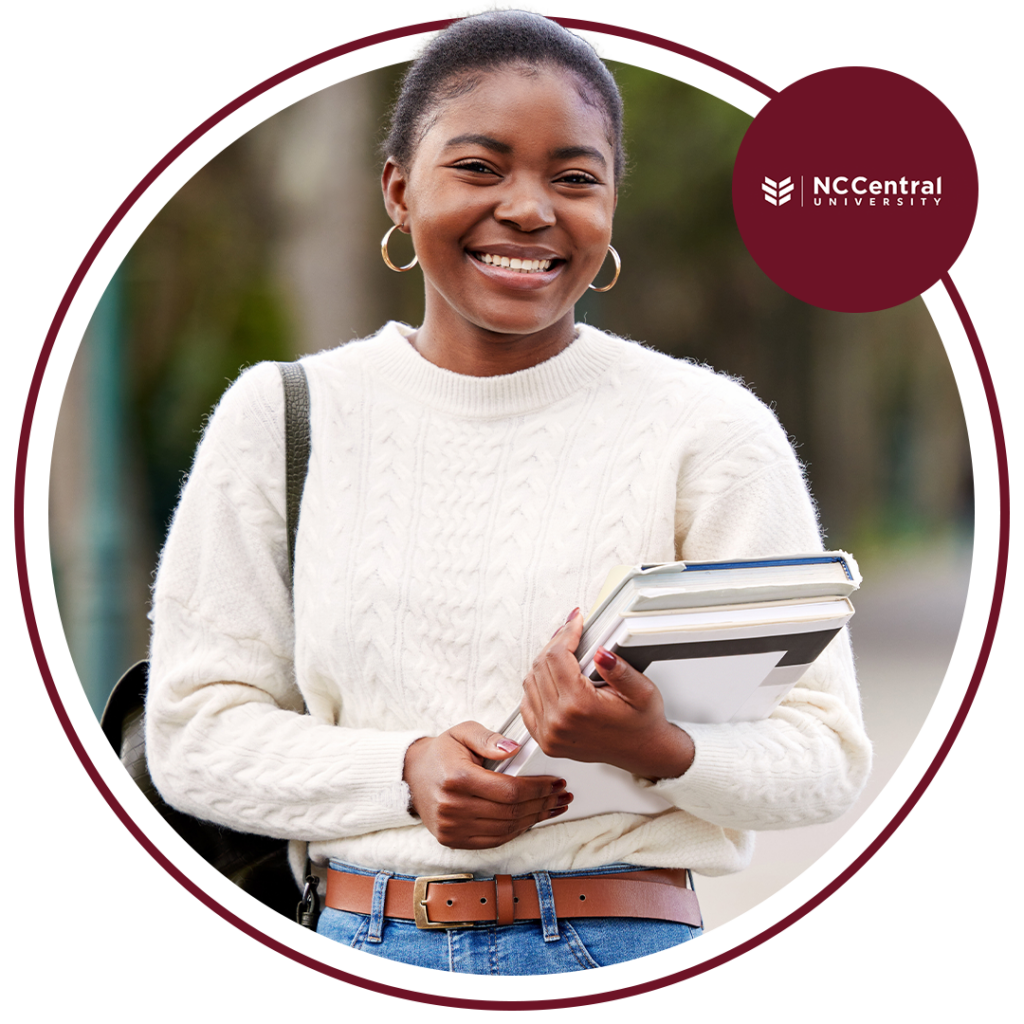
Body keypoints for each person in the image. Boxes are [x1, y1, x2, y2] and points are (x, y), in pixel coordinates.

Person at [146, 9, 872, 975]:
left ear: (610, 207)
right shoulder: (284, 417)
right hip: (352, 935)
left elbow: (824, 760)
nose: (530, 209)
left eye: (575, 178)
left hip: (619, 943)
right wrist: (403, 771)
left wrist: (659, 747)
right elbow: (192, 733)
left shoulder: (710, 432)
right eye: (480, 168)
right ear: (399, 192)